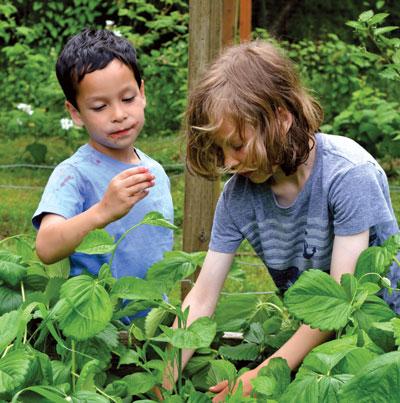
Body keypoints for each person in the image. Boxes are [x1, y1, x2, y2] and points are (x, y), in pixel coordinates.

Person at [169, 40, 399, 401]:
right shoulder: (238, 197)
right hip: (316, 350)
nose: (229, 161)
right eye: (220, 149)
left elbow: (340, 301)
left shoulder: (348, 174)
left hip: (384, 338)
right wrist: (163, 376)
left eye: (238, 144)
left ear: (281, 118)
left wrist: (260, 375)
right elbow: (201, 298)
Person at [33, 29, 173, 288]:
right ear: (75, 112)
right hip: (96, 322)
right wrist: (102, 211)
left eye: (128, 98)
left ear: (142, 93)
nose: (118, 114)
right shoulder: (73, 173)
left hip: (152, 321)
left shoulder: (155, 171)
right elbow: (46, 246)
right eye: (100, 107)